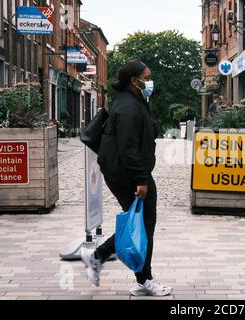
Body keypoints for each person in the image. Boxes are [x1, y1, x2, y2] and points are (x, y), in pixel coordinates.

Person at [80, 60, 173, 297]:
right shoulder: (129, 107)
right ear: (134, 80)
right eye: (147, 76)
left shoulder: (132, 101)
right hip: (128, 174)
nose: (150, 81)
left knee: (139, 223)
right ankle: (144, 280)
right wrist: (141, 180)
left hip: (126, 171)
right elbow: (128, 147)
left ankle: (98, 258)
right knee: (143, 225)